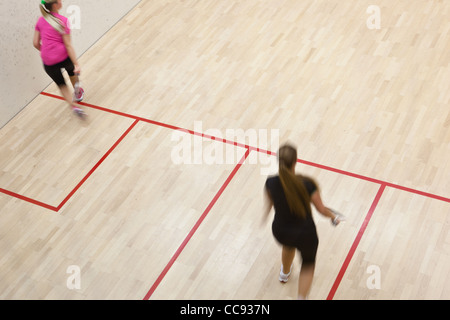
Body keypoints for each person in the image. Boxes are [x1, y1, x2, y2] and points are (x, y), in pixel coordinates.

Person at [264, 144, 343, 300]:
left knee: (288, 246)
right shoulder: (307, 184)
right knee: (307, 265)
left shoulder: (270, 183)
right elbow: (321, 210)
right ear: (295, 162)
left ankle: (284, 275)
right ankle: (301, 298)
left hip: (281, 230)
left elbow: (271, 203)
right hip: (305, 234)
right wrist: (334, 217)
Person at [33, 0, 86, 118]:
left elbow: (35, 43)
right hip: (63, 56)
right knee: (72, 73)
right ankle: (77, 93)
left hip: (48, 61)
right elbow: (68, 45)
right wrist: (76, 64)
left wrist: (47, 52)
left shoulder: (40, 21)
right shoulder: (63, 21)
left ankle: (74, 106)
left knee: (61, 84)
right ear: (55, 5)